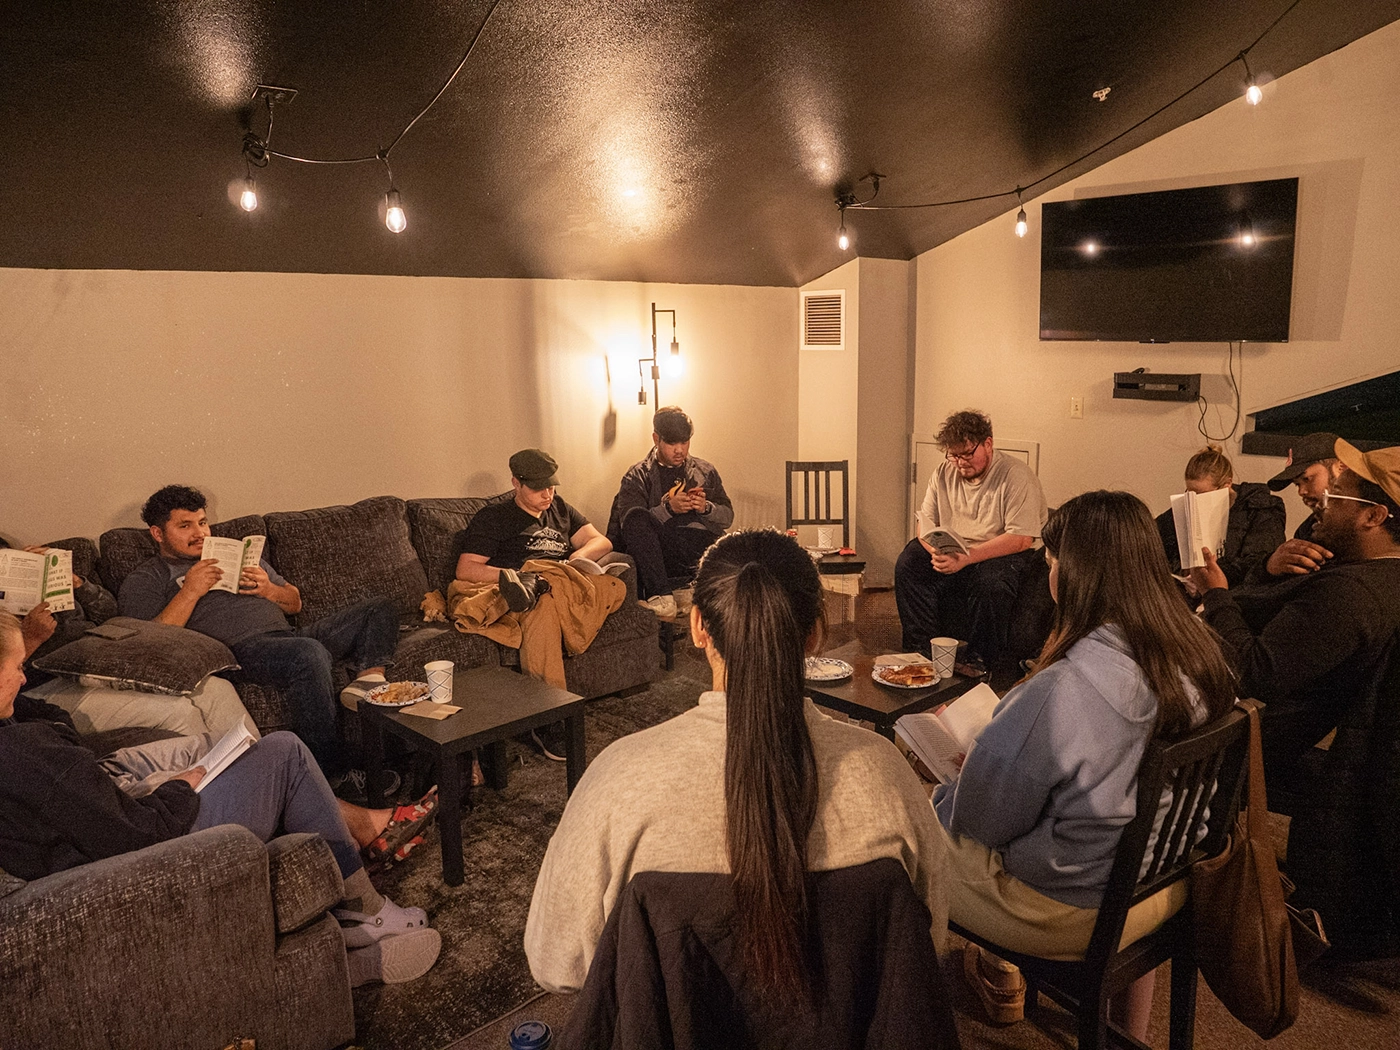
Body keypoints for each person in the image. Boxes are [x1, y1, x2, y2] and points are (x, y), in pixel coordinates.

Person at [523, 529, 947, 995]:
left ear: (698, 626)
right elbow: (928, 942)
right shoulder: (886, 773)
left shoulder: (618, 779)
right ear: (815, 636)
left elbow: (556, 964)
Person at [0, 611, 441, 987]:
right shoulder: (28, 756)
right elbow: (139, 832)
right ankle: (364, 910)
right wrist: (180, 785)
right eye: (18, 667)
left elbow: (60, 735)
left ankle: (335, 948)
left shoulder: (20, 741)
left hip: (99, 824)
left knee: (221, 746)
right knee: (284, 751)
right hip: (140, 858)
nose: (25, 677)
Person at [935, 491, 1235, 1033]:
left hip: (1069, 911)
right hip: (1161, 880)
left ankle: (922, 1013)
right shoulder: (1200, 652)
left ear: (1072, 572)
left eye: (1051, 561)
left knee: (906, 837)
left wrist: (956, 777)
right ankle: (1129, 1033)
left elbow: (979, 823)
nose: (1048, 572)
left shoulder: (1062, 688)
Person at [117, 485, 399, 798]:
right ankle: (332, 778)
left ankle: (368, 682)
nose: (199, 533)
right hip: (237, 651)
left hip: (287, 638)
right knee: (309, 654)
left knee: (379, 608)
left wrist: (268, 590)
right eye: (185, 526)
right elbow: (148, 643)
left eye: (202, 522)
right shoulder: (148, 578)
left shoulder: (236, 555)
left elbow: (294, 603)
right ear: (158, 533)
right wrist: (191, 590)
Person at [9, 542, 254, 739]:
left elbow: (110, 613)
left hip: (103, 663)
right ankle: (217, 791)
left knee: (216, 689)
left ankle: (264, 771)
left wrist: (78, 584)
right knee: (177, 712)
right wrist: (30, 639)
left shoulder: (56, 593)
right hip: (43, 688)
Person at [449, 449, 624, 709]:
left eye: (551, 487)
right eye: (538, 489)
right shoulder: (494, 518)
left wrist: (575, 557)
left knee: (615, 586)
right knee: (542, 606)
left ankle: (550, 585)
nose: (547, 495)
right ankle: (549, 711)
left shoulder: (560, 509)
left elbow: (602, 541)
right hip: (523, 589)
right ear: (516, 484)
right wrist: (521, 576)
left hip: (561, 579)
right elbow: (466, 570)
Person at [895, 409, 1047, 671]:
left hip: (1002, 551)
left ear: (988, 444)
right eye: (954, 455)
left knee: (991, 582)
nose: (960, 462)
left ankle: (982, 661)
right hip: (956, 547)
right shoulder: (944, 472)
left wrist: (967, 558)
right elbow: (924, 522)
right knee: (910, 559)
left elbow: (1021, 539)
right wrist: (936, 551)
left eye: (967, 454)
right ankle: (921, 650)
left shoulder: (1016, 476)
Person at [604, 406, 734, 617]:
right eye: (672, 443)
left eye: (684, 442)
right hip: (662, 549)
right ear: (656, 439)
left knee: (743, 547)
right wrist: (668, 509)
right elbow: (630, 526)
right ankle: (663, 597)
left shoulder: (705, 471)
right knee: (636, 516)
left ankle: (693, 595)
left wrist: (706, 508)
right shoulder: (637, 476)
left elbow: (728, 516)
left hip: (700, 546)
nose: (680, 450)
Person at [1154, 444, 1285, 587]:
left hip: (1240, 594)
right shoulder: (1186, 506)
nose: (1195, 501)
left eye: (1202, 496)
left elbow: (1259, 565)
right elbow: (1155, 543)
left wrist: (1208, 576)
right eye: (1189, 493)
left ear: (1227, 484)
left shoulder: (1261, 510)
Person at [1260, 431, 1344, 577]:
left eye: (1307, 479)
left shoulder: (1365, 529)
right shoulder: (1307, 529)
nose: (1301, 492)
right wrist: (1269, 566)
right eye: (1297, 484)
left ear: (1341, 468)